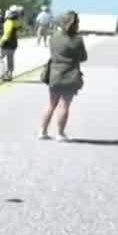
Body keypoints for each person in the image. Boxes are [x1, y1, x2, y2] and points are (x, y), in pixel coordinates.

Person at [40, 11, 88, 142]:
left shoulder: (54, 36)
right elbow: (84, 57)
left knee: (51, 104)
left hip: (54, 73)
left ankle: (42, 131)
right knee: (64, 105)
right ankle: (60, 134)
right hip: (70, 74)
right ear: (74, 23)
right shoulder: (77, 39)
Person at [0, 5, 22, 81]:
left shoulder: (9, 22)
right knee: (10, 59)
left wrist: (1, 42)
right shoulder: (18, 22)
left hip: (7, 43)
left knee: (0, 59)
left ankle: (2, 74)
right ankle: (10, 74)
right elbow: (20, 31)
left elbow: (7, 34)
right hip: (14, 43)